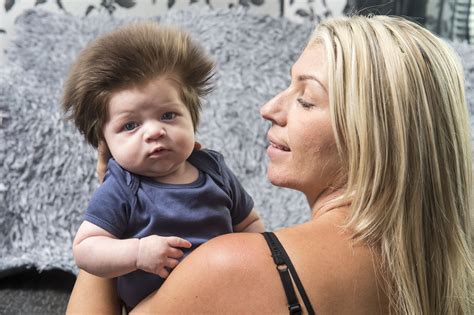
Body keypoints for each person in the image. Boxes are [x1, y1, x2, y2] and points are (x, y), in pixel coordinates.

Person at [66, 15, 473, 315]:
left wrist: (117, 192)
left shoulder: (229, 267)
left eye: (306, 99)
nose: (268, 109)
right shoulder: (448, 272)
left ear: (374, 134)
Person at [61, 22, 265, 311]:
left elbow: (249, 224)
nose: (154, 131)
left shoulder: (214, 170)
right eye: (130, 125)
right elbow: (85, 249)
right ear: (104, 142)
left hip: (227, 298)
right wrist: (137, 253)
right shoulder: (123, 187)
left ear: (192, 119)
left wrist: (257, 265)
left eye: (168, 115)